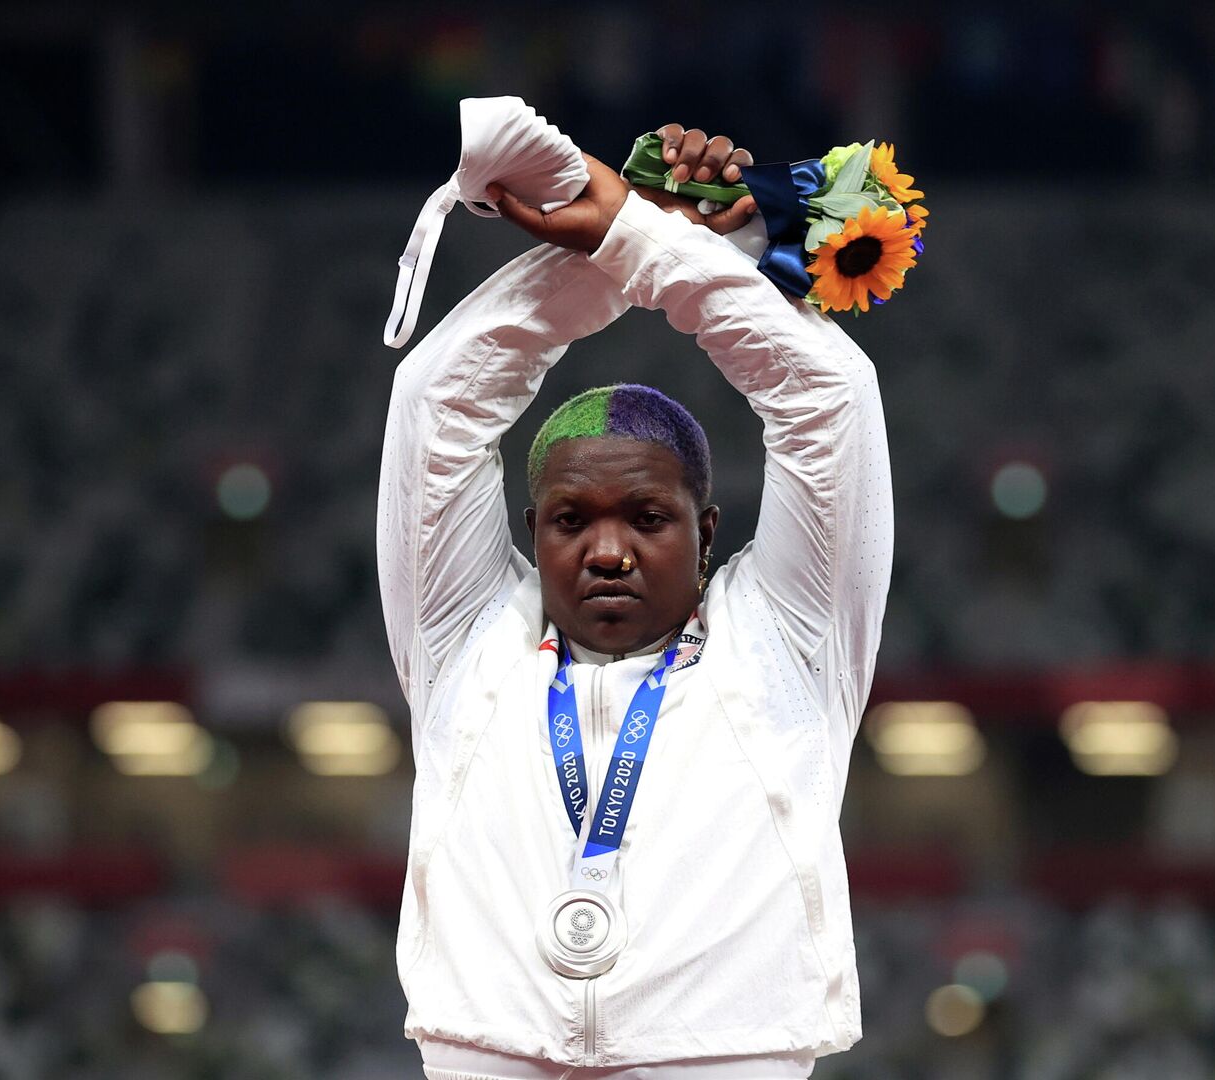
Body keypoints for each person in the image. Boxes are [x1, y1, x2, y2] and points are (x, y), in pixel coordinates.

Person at [377, 124, 894, 1080]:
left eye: (648, 517)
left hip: (727, 1051)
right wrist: (634, 240)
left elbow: (829, 396)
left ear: (707, 532)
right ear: (532, 532)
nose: (607, 551)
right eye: (572, 520)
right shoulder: (462, 635)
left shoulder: (788, 635)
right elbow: (437, 400)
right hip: (485, 1047)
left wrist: (647, 244)